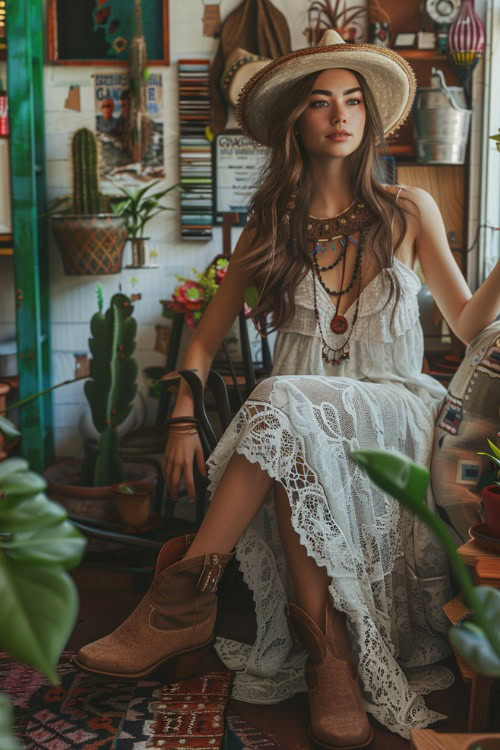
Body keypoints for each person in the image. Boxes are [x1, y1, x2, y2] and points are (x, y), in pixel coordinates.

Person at [75, 30, 500, 746]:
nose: (340, 114)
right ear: (296, 124)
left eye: (354, 101)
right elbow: (204, 339)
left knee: (276, 402)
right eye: (320, 102)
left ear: (369, 119)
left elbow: (464, 321)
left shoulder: (410, 208)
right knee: (288, 427)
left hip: (391, 403)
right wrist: (183, 413)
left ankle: (179, 602)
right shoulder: (271, 225)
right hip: (299, 419)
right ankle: (327, 656)